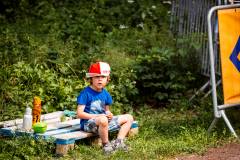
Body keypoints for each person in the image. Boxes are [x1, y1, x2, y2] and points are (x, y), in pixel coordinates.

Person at [76, 61, 134, 154]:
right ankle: (106, 145)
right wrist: (98, 116)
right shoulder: (85, 93)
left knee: (129, 117)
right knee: (103, 119)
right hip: (88, 124)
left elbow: (106, 111)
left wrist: (109, 114)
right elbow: (79, 114)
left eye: (103, 77)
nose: (100, 79)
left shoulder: (106, 94)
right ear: (91, 78)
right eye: (97, 76)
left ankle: (118, 142)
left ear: (107, 79)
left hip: (104, 123)